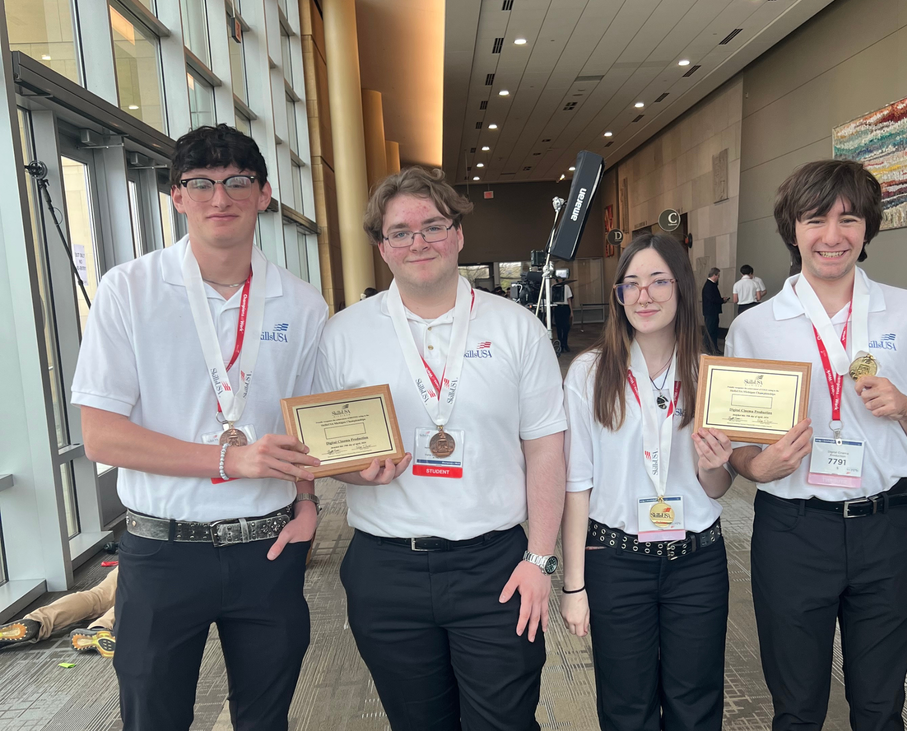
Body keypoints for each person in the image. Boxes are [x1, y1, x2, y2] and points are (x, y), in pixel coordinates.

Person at [71, 124, 329, 731]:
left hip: (266, 547)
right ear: (177, 197)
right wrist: (227, 460)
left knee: (266, 719)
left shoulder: (301, 303)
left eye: (238, 181)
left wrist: (310, 503)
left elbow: (307, 426)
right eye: (201, 183)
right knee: (154, 717)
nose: (222, 197)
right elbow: (102, 437)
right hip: (162, 551)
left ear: (264, 194)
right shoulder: (128, 291)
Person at [314, 166, 567, 731]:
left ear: (458, 233)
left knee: (505, 722)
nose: (418, 241)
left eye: (433, 225)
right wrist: (357, 474)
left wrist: (540, 558)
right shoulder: (344, 334)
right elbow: (330, 452)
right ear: (382, 247)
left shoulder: (516, 327)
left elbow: (547, 448)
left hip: (495, 564)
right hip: (386, 566)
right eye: (400, 231)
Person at [726, 160, 907, 731]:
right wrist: (759, 465)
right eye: (815, 220)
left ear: (867, 228)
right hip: (793, 531)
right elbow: (732, 443)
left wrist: (905, 408)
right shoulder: (756, 327)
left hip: (888, 529)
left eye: (848, 219)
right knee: (797, 707)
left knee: (880, 708)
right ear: (793, 229)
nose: (833, 236)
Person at [560, 234, 734, 731]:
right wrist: (574, 586)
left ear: (680, 288)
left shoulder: (708, 373)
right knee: (626, 707)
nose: (644, 295)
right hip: (616, 563)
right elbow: (577, 487)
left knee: (696, 704)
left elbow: (717, 488)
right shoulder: (590, 373)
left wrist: (714, 464)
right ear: (619, 296)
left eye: (658, 281)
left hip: (696, 561)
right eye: (631, 284)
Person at [0, 567, 118, 658]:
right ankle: (101, 628)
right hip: (137, 568)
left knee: (97, 597)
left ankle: (37, 621)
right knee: (133, 599)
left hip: (128, 558)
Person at [701, 268, 729, 354]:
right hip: (710, 312)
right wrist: (722, 300)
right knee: (710, 331)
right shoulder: (709, 285)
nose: (718, 278)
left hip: (712, 311)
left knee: (713, 330)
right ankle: (707, 348)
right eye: (718, 275)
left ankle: (713, 348)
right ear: (714, 275)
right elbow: (712, 299)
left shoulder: (710, 285)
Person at [552, 279, 574, 353]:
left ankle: (565, 343)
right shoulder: (554, 287)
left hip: (565, 307)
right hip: (557, 307)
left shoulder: (566, 286)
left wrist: (571, 311)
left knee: (566, 326)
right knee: (558, 327)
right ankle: (560, 344)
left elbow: (569, 299)